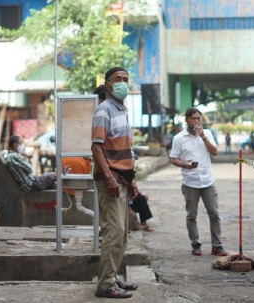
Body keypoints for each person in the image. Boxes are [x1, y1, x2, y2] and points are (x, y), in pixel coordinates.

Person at [92, 67, 139, 299]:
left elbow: (125, 150)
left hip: (122, 179)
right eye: (118, 80)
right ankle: (105, 285)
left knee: (122, 234)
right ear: (108, 85)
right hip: (109, 180)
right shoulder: (104, 110)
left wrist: (132, 181)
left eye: (126, 80)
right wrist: (109, 176)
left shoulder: (122, 110)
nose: (123, 83)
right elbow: (96, 146)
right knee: (113, 232)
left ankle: (112, 278)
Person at [170, 107, 228, 257]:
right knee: (191, 216)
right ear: (186, 120)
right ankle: (195, 244)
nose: (196, 121)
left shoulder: (207, 133)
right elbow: (173, 159)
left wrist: (203, 136)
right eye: (193, 119)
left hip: (208, 181)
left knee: (214, 214)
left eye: (198, 118)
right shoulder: (179, 138)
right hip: (190, 182)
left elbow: (214, 152)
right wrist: (184, 164)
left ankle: (217, 246)